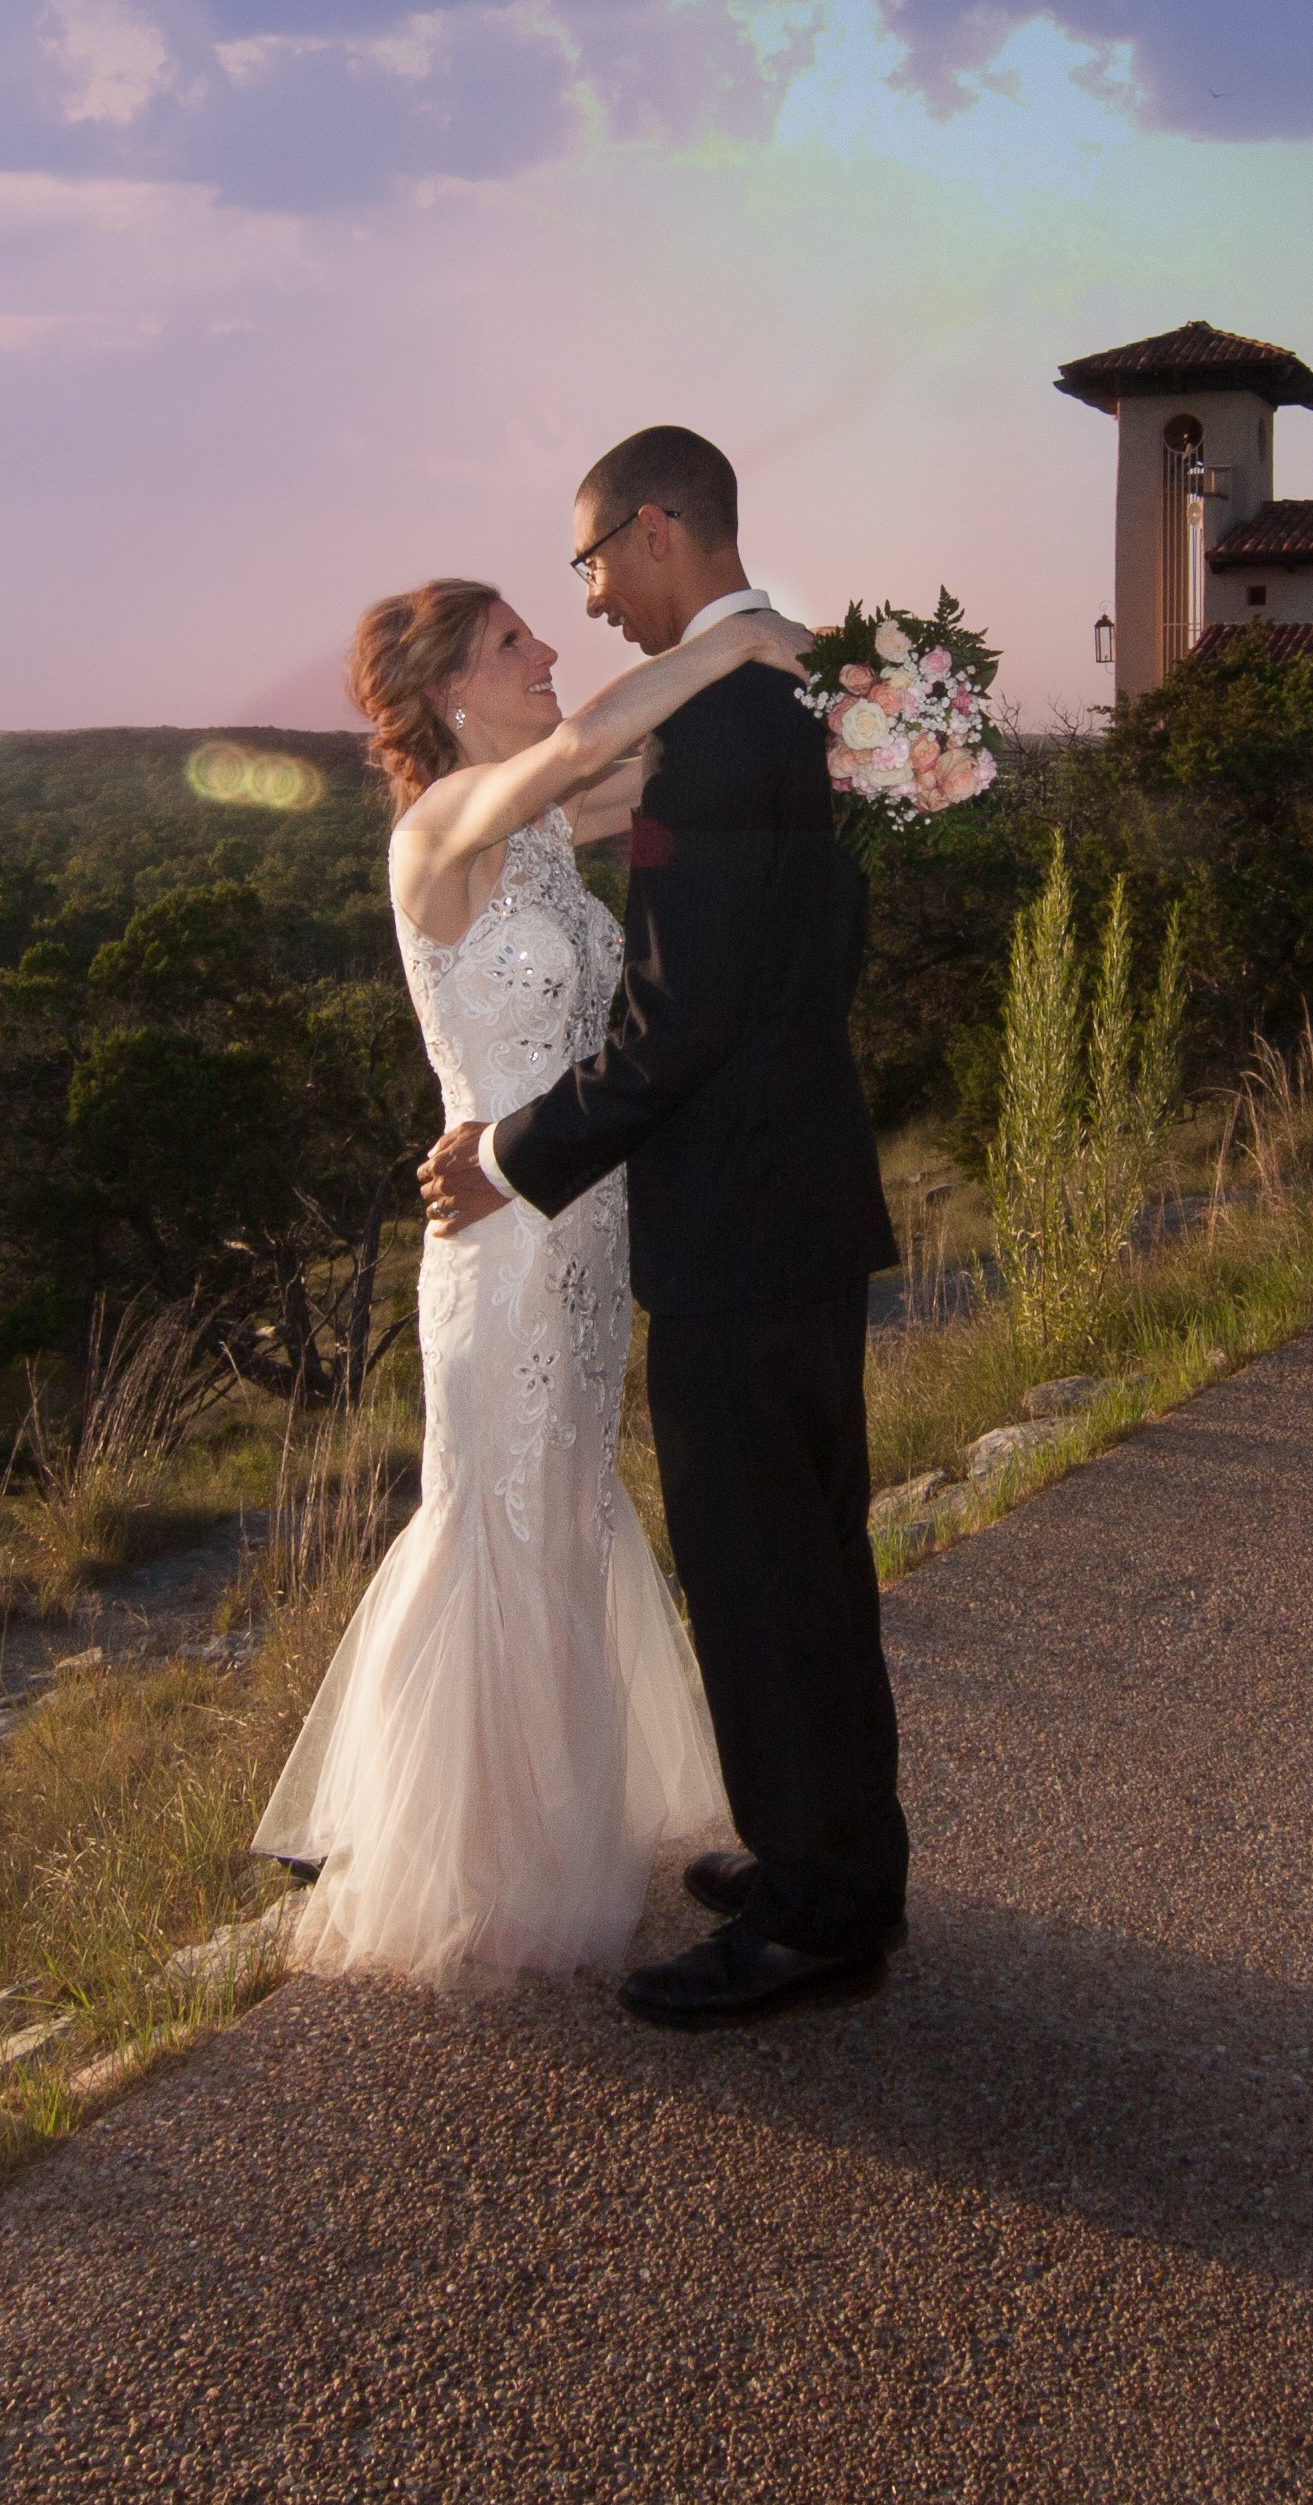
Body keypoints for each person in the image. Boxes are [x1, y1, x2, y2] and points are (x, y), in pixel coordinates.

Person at [253, 569, 812, 1984]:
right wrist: (736, 633)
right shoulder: (440, 827)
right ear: (452, 689)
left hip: (580, 1230)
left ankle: (544, 1822)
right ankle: (467, 1859)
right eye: (517, 642)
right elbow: (587, 746)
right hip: (497, 1252)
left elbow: (669, 768)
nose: (550, 652)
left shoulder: (551, 833)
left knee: (559, 1501)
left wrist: (864, 701)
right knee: (493, 1507)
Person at [419, 425, 910, 2029]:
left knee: (765, 1570)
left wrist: (517, 1155)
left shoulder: (722, 728)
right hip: (793, 1194)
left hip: (740, 1223)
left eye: (587, 567)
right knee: (807, 1559)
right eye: (529, 616)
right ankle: (829, 1856)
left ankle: (818, 1909)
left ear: (647, 536)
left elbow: (678, 1023)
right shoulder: (771, 711)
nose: (583, 609)